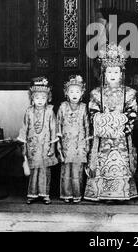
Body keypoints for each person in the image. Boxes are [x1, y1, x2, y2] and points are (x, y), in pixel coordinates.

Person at [84, 43, 138, 201]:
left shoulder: (129, 93)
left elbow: (132, 113)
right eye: (109, 71)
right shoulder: (96, 93)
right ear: (104, 73)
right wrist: (109, 120)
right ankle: (102, 193)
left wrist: (119, 122)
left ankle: (122, 192)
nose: (112, 74)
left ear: (121, 73)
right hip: (103, 139)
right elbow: (93, 113)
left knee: (121, 163)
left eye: (116, 71)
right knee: (103, 163)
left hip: (121, 138)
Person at [17, 77, 58, 204]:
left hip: (45, 146)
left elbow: (53, 129)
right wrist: (23, 144)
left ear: (48, 98)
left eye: (43, 98)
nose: (40, 101)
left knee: (45, 170)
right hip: (32, 146)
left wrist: (52, 146)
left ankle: (45, 194)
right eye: (37, 98)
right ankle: (32, 194)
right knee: (33, 169)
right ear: (32, 99)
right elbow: (24, 127)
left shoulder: (50, 111)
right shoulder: (28, 111)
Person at [57, 75, 90, 203]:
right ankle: (66, 194)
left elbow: (87, 126)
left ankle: (77, 194)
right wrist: (58, 143)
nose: (74, 94)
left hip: (80, 143)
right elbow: (58, 124)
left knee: (78, 170)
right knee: (66, 169)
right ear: (66, 93)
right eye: (71, 91)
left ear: (82, 93)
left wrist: (87, 143)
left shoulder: (83, 107)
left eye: (77, 91)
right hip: (66, 143)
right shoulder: (62, 107)